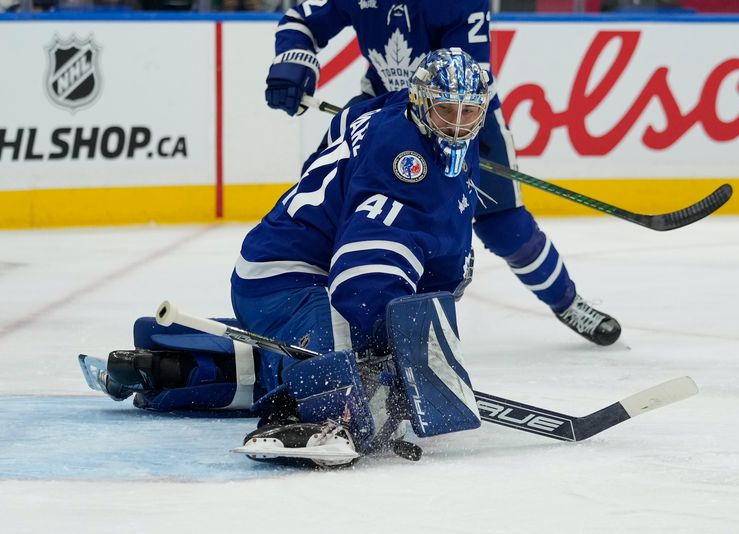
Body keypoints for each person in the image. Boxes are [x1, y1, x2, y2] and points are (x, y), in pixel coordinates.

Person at [95, 48, 494, 468]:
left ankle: (167, 367)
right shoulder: (402, 162)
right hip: (285, 275)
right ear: (420, 102)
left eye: (468, 114)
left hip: (294, 267)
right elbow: (362, 278)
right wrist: (396, 353)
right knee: (349, 384)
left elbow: (351, 120)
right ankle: (299, 419)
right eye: (445, 110)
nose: (454, 125)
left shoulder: (398, 116)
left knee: (339, 360)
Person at [265, 0, 621, 347]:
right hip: (383, 112)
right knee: (325, 198)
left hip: (459, 116)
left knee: (505, 227)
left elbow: (464, 84)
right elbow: (302, 19)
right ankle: (310, 307)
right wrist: (294, 59)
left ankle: (567, 302)